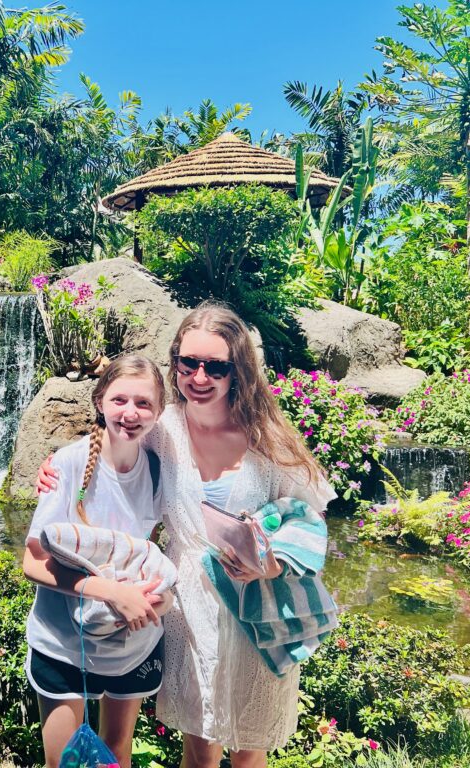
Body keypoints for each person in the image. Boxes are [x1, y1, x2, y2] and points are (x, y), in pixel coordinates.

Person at [37, 303, 336, 768]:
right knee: (198, 746)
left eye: (216, 366)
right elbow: (115, 436)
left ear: (238, 370)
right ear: (175, 361)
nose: (200, 376)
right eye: (189, 363)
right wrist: (57, 468)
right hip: (190, 610)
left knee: (249, 748)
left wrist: (272, 561)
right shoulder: (166, 429)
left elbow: (310, 518)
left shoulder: (267, 437)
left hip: (254, 604)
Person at [22, 354, 173, 768]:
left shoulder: (158, 470)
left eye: (144, 403)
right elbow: (32, 562)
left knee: (116, 754)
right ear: (100, 400)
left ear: (159, 412)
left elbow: (150, 552)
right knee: (66, 763)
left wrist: (158, 599)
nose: (130, 413)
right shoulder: (67, 465)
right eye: (119, 399)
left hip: (132, 643)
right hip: (64, 644)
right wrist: (107, 591)